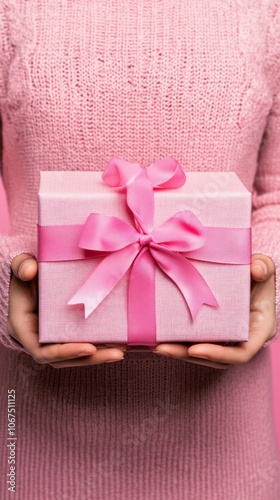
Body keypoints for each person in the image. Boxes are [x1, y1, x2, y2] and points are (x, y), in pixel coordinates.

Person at [0, 1, 280, 499]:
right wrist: (5, 287)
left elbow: (276, 191)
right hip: (33, 441)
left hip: (225, 446)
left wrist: (266, 287)